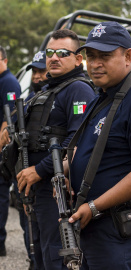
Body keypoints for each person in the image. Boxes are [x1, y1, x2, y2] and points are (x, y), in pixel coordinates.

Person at [68, 21, 131, 269]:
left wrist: (93, 206)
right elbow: (91, 153)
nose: (95, 64)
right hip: (95, 222)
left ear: (128, 56)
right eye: (90, 56)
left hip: (116, 225)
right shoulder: (103, 96)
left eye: (105, 56)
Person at [16, 29, 95, 269]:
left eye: (63, 53)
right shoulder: (48, 90)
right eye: (50, 52)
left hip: (58, 189)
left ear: (78, 59)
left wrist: (39, 170)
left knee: (56, 255)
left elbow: (76, 141)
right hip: (37, 187)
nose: (54, 57)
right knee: (39, 251)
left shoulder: (79, 89)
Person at [15, 51, 48, 270]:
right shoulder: (32, 97)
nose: (37, 76)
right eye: (34, 71)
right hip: (26, 178)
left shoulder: (57, 95)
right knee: (30, 231)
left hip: (43, 179)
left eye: (41, 71)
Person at [0, 45, 21, 257]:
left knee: (0, 195)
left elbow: (10, 118)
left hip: (4, 150)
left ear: (4, 60)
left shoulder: (9, 82)